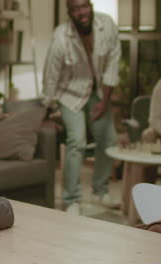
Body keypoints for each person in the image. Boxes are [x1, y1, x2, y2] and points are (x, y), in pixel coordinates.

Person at [42, 0, 120, 215]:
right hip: (70, 94)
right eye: (75, 9)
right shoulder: (60, 37)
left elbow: (113, 64)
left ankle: (100, 190)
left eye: (84, 6)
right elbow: (51, 75)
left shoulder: (107, 26)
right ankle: (71, 200)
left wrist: (105, 101)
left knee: (108, 138)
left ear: (91, 5)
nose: (82, 13)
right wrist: (49, 110)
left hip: (97, 93)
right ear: (69, 13)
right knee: (77, 141)